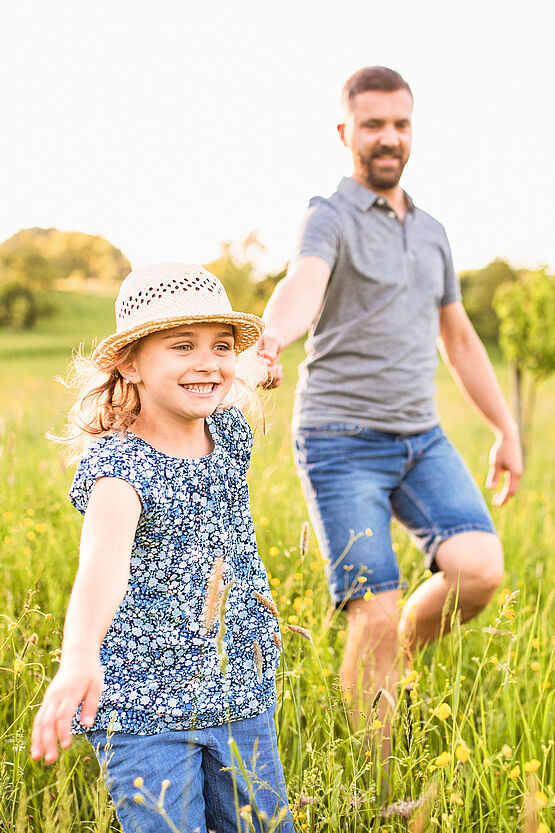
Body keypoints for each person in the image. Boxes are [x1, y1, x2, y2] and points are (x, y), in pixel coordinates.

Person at [259, 66, 522, 732]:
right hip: (339, 439)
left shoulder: (431, 229)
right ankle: (374, 788)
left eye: (400, 124)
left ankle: (400, 646)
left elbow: (456, 337)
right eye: (372, 124)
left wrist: (504, 426)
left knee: (479, 569)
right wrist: (270, 338)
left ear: (412, 130)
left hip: (420, 438)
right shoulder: (329, 215)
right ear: (345, 131)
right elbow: (303, 284)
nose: (388, 137)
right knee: (370, 610)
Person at [30, 262, 295, 833]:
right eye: (182, 346)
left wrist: (252, 362)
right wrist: (78, 656)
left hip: (238, 687)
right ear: (131, 362)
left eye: (219, 345)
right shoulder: (120, 469)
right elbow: (101, 568)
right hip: (144, 709)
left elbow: (234, 374)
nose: (206, 362)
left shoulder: (226, 428)